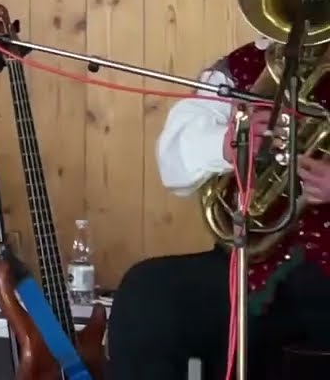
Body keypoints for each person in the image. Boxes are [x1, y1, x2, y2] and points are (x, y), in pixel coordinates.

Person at [107, 37, 330, 379]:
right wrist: (226, 145)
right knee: (148, 296)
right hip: (254, 269)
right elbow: (173, 158)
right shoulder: (245, 66)